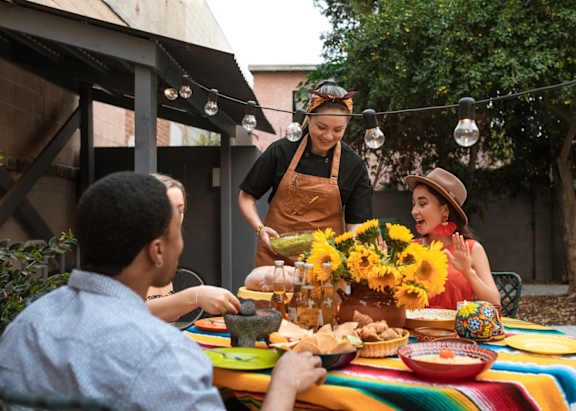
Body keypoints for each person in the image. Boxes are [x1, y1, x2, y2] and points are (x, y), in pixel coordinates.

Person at [0, 172, 326, 410]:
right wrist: (284, 385)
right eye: (175, 233)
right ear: (157, 251)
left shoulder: (25, 326)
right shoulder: (164, 356)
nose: (181, 244)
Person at [239, 80, 373, 267]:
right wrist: (260, 228)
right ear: (308, 118)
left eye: (337, 130)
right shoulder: (283, 150)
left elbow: (356, 222)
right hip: (275, 258)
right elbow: (246, 196)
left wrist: (349, 250)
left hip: (325, 264)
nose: (328, 136)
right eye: (321, 127)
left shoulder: (353, 165)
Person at [146, 173, 241, 321]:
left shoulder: (163, 252)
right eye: (167, 208)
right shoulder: (132, 254)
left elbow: (166, 314)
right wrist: (195, 296)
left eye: (180, 210)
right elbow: (132, 312)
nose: (176, 216)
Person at [405, 168, 501, 310]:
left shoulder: (472, 249)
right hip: (413, 330)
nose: (414, 212)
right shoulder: (409, 248)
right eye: (414, 204)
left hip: (456, 330)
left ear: (444, 210)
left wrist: (468, 272)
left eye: (423, 203)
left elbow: (495, 302)